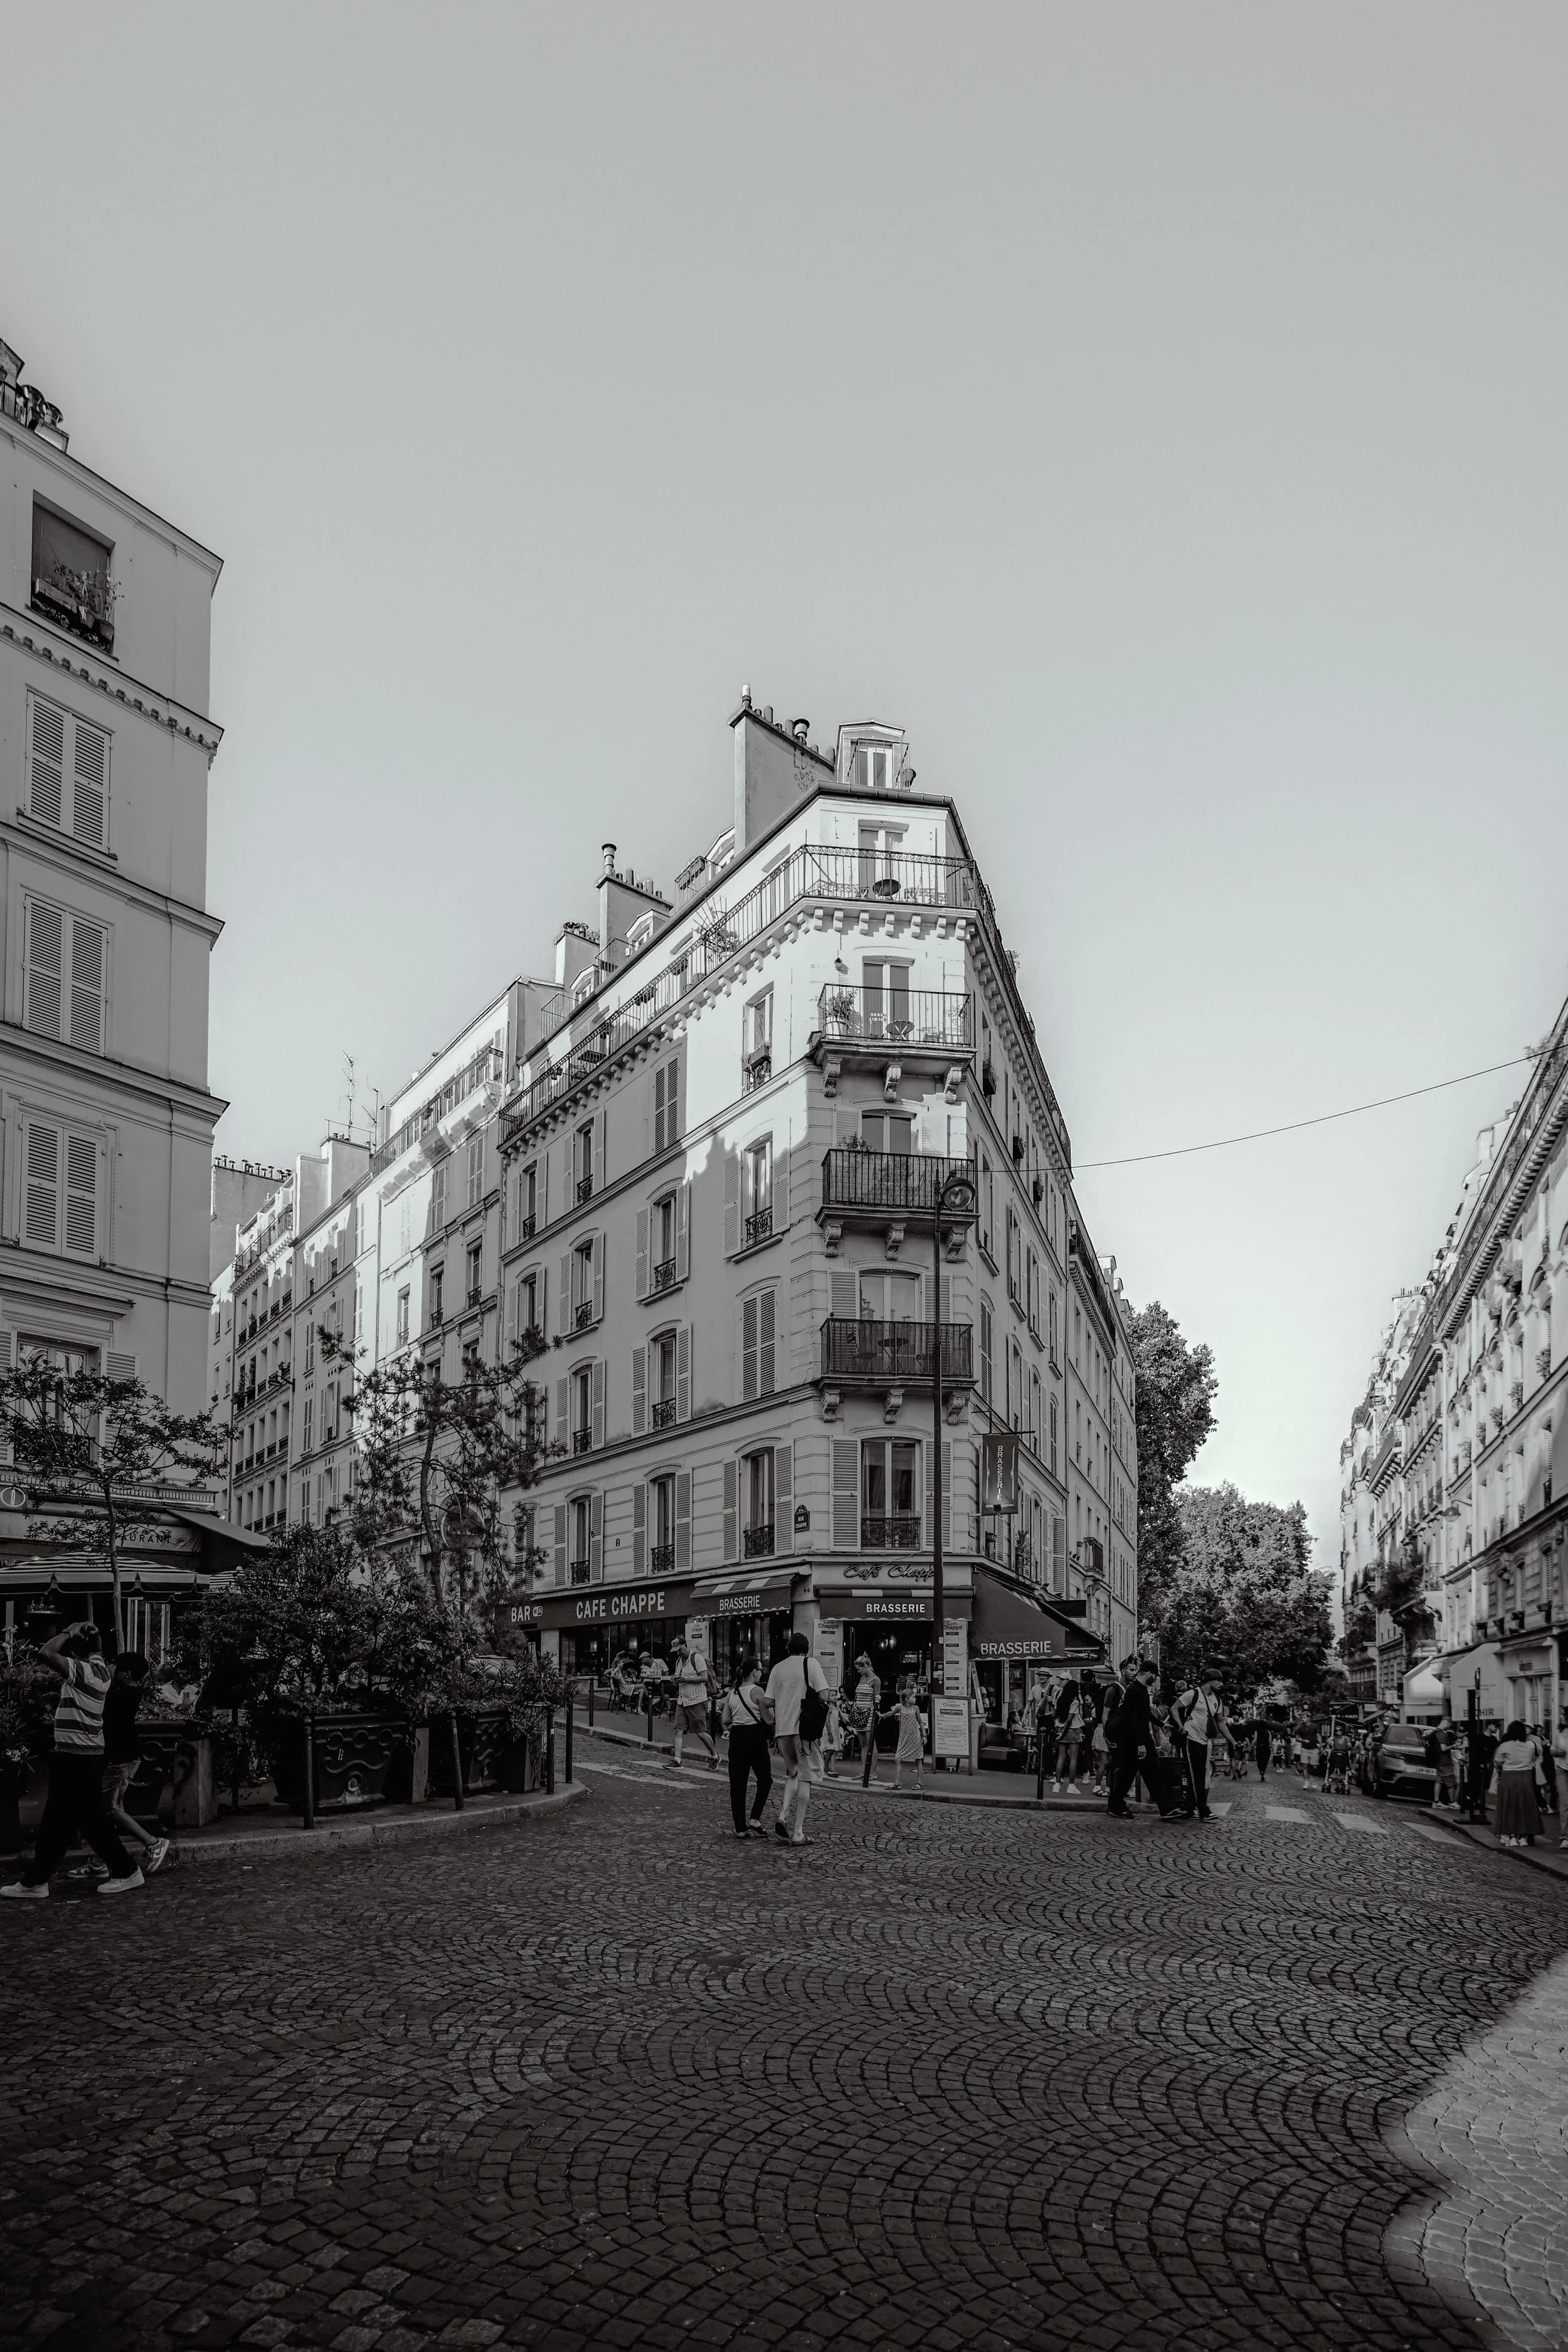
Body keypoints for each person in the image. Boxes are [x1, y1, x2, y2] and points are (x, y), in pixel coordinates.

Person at [3, 1621, 144, 1899]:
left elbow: (45, 1653)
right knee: (81, 1822)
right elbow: (96, 1652)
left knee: (64, 1822)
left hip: (75, 1758)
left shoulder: (85, 1672)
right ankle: (39, 1880)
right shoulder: (101, 1670)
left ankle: (39, 1881)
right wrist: (94, 1638)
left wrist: (69, 1631)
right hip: (83, 1756)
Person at [101, 1652, 170, 1877]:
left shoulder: (124, 1694)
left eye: (117, 1669)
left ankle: (153, 1843)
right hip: (121, 1756)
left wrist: (107, 1677)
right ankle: (102, 1860)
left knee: (111, 1808)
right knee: (103, 1810)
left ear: (127, 1673)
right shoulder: (129, 1692)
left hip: (119, 1757)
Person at [765, 1631, 829, 1847]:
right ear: (807, 1648)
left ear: (788, 1649)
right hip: (804, 1731)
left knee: (792, 1772)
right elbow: (825, 1694)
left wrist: (784, 1701)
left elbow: (767, 1701)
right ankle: (798, 1832)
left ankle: (783, 1814)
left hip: (783, 1730)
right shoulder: (811, 1664)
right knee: (806, 1777)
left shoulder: (777, 1668)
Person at [1107, 1660, 1174, 1818]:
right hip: (1136, 1738)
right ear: (1149, 1674)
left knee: (1128, 1773)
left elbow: (1144, 1713)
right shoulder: (1136, 1691)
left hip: (1133, 1737)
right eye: (1155, 1676)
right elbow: (1133, 1719)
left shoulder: (1139, 1689)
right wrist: (1141, 1744)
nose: (1155, 1679)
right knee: (1153, 1772)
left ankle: (1116, 1805)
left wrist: (1161, 1724)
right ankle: (1166, 1809)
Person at [721, 1655, 772, 1836]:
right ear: (754, 1672)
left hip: (737, 1738)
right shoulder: (758, 1691)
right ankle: (755, 1818)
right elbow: (769, 1719)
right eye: (760, 1670)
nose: (761, 1673)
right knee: (765, 1780)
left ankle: (740, 1828)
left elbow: (726, 1720)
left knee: (737, 1783)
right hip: (755, 1738)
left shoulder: (733, 1692)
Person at [1172, 1666, 1220, 1821]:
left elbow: (1221, 1722)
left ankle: (1189, 1807)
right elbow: (1174, 1708)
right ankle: (1203, 1810)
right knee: (1197, 1774)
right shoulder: (1193, 1693)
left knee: (1199, 1773)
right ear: (1210, 1681)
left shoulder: (1217, 1699)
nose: (1221, 1684)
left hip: (1204, 1741)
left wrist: (1232, 1740)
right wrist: (1180, 1726)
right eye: (1218, 1680)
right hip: (1190, 1738)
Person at [1490, 1719, 1547, 1848]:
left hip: (1509, 1777)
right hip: (1525, 1777)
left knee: (1509, 1807)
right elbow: (1540, 1753)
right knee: (1525, 1807)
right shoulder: (1532, 1745)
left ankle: (1512, 1836)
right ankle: (1523, 1836)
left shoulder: (1505, 1746)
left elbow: (1498, 1762)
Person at [669, 1636, 718, 1770]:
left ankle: (715, 1756)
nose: (678, 1653)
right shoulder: (679, 1661)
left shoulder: (697, 1658)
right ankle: (677, 1760)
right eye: (676, 1651)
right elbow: (678, 1677)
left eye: (680, 1650)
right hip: (682, 1700)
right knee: (678, 1730)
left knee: (701, 1732)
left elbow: (704, 1677)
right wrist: (676, 1680)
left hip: (697, 1700)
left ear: (685, 1645)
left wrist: (686, 1679)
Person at [889, 1686, 926, 1793]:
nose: (915, 1699)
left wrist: (924, 1735)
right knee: (898, 1758)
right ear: (907, 1699)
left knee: (918, 1759)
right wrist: (881, 1716)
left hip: (915, 1737)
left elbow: (920, 1722)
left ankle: (919, 1783)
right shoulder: (900, 1708)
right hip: (904, 1737)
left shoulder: (916, 1709)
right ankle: (897, 1782)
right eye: (913, 1697)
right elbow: (891, 1714)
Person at [1052, 1680, 1084, 1794]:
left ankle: (1057, 1784)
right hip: (1072, 1731)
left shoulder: (1060, 1700)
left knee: (1061, 1758)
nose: (1079, 1691)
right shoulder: (1074, 1702)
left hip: (1060, 1729)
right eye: (1078, 1689)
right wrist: (1064, 1732)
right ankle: (1071, 1786)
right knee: (1073, 1759)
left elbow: (1054, 1715)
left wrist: (1060, 1730)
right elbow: (1070, 1720)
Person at [1464, 1720, 1497, 1823]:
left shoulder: (1494, 1739)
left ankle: (1476, 1802)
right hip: (1477, 1765)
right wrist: (1476, 1763)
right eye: (1495, 1726)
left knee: (1483, 1784)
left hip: (1485, 1765)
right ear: (1490, 1726)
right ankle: (1472, 1802)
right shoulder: (1479, 1737)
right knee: (1476, 1783)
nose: (1497, 1729)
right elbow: (1474, 1752)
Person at [1254, 1718, 1273, 1782]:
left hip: (1259, 1747)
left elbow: (1255, 1740)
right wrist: (1272, 1748)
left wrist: (1251, 1746)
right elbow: (1270, 1742)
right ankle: (1263, 1773)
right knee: (1265, 1761)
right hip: (1266, 1748)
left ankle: (1261, 1771)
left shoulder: (1257, 1731)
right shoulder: (1268, 1732)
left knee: (1259, 1760)